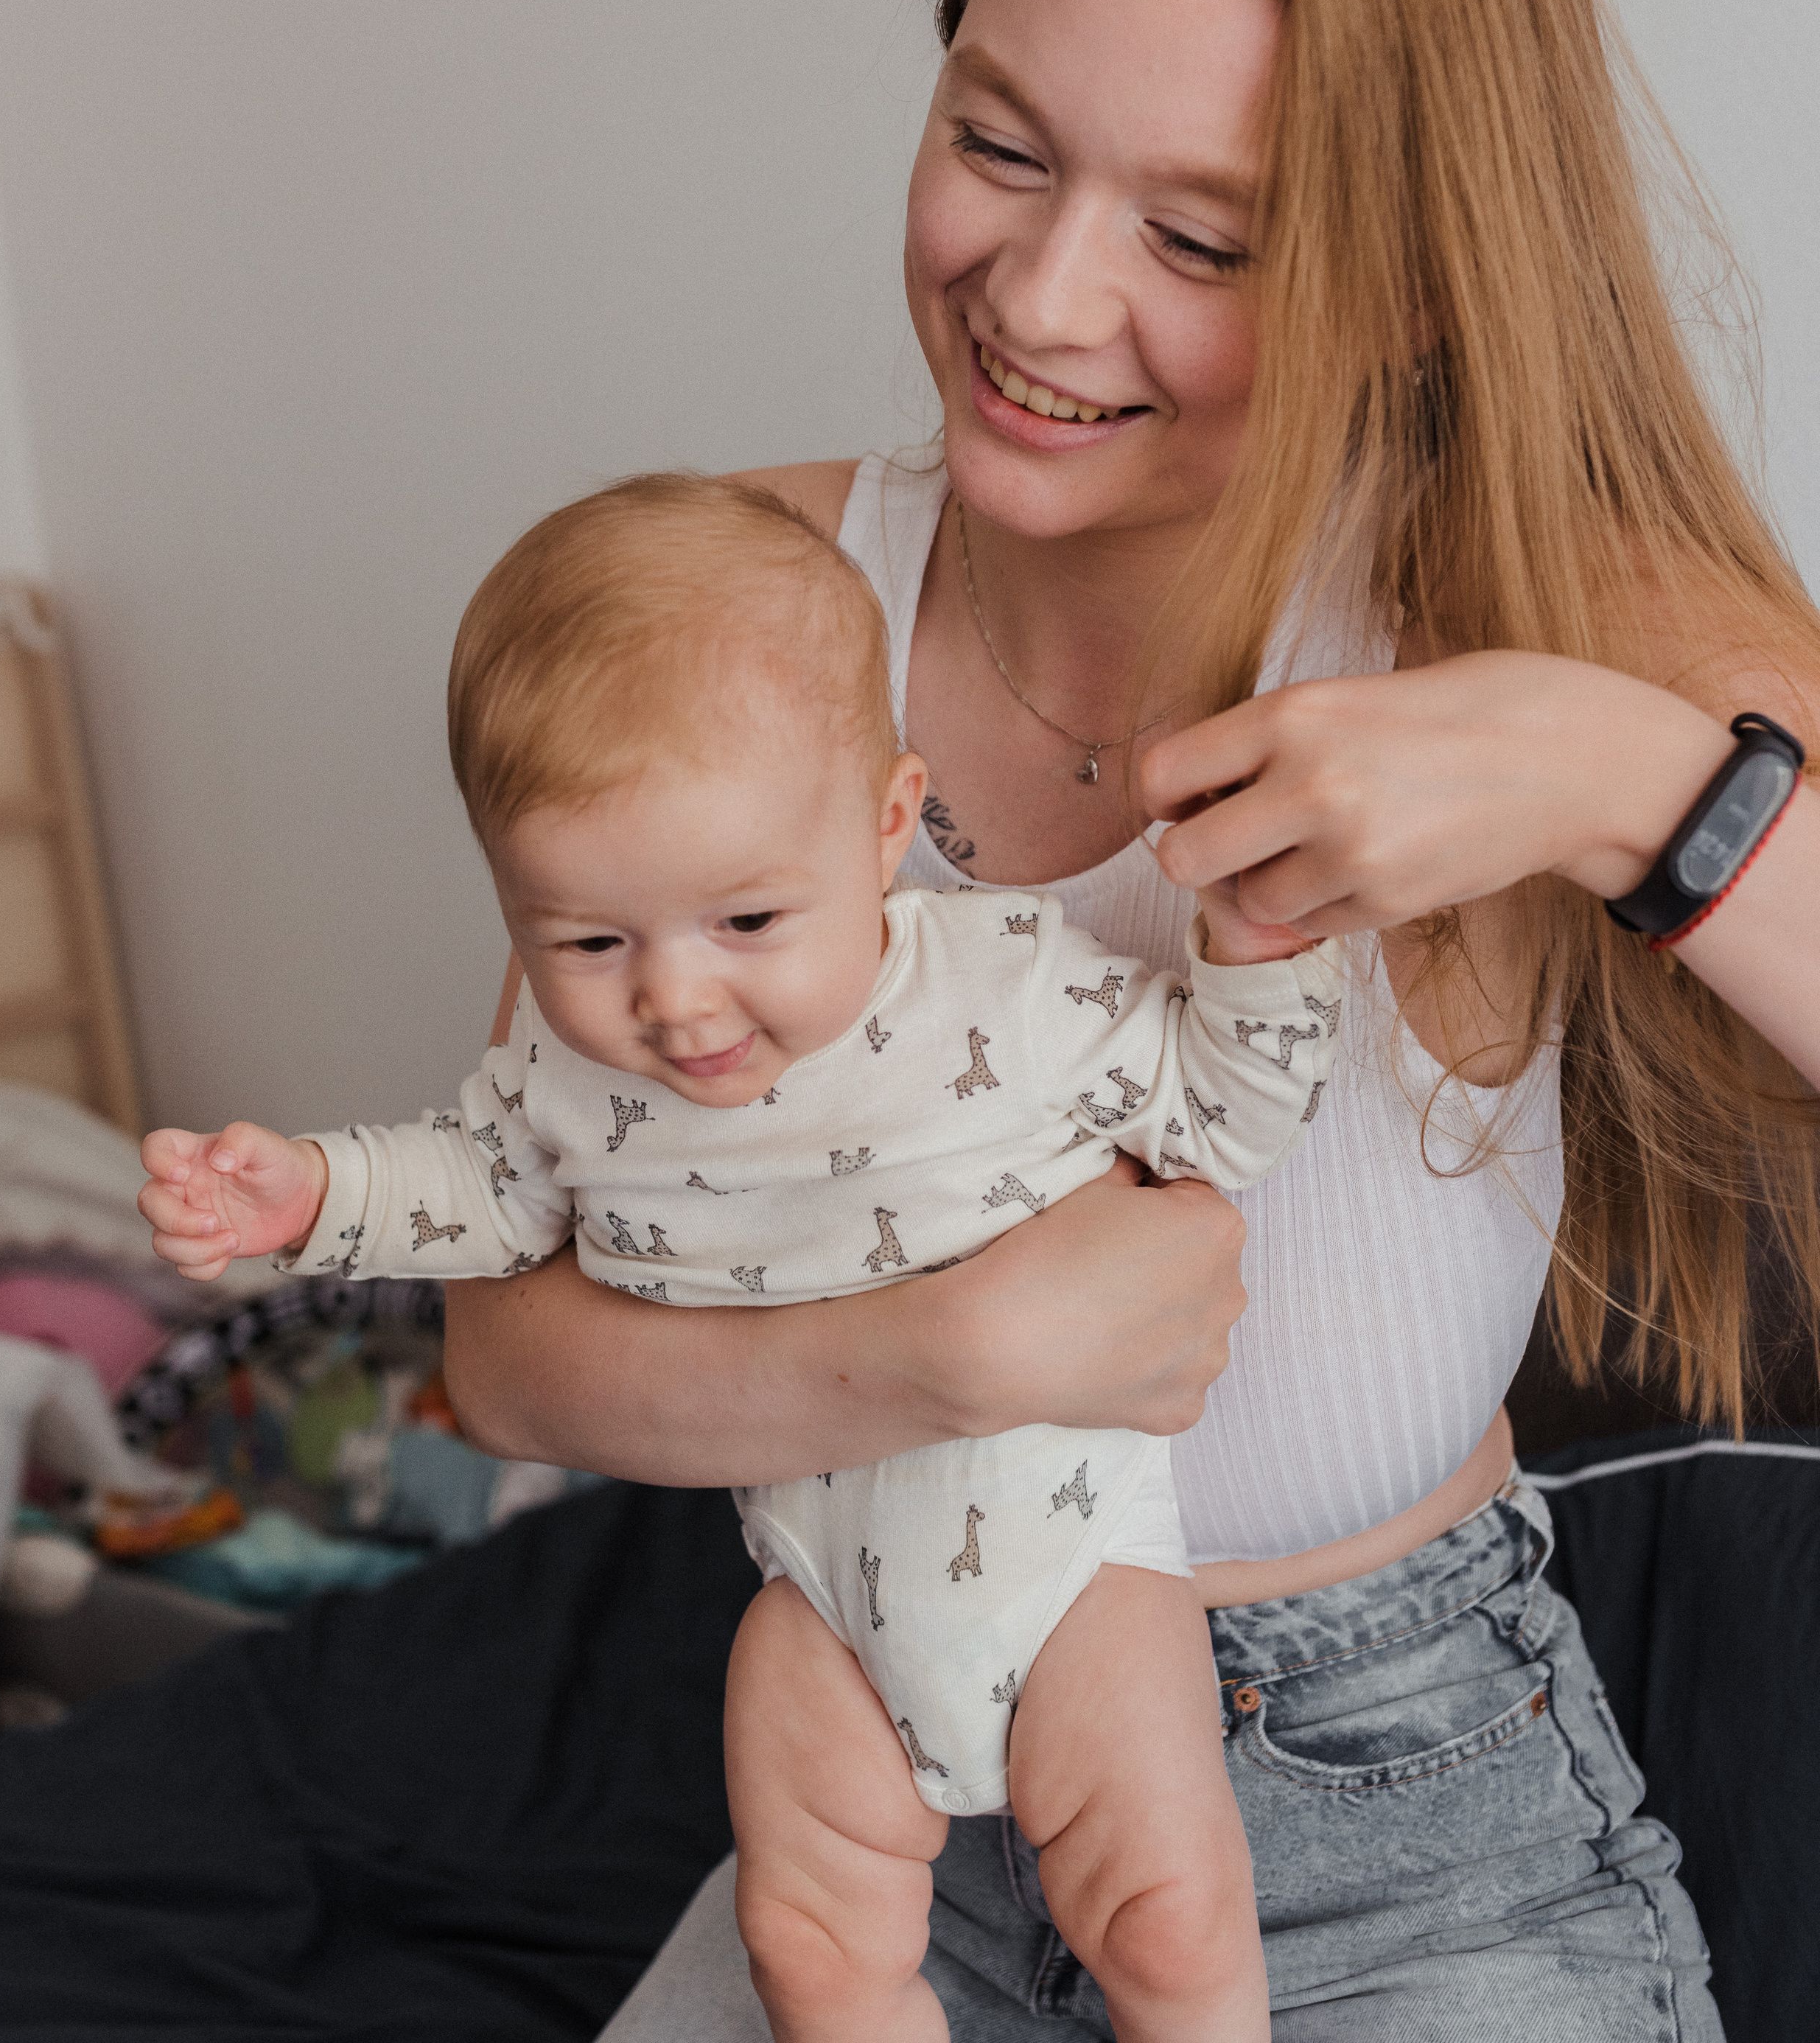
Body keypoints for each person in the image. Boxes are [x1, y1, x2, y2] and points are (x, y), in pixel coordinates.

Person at [443, 0, 1819, 2040]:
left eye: (1201, 232)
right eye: (998, 143)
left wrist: (1617, 781)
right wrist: (942, 1347)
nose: (1047, 302)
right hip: (898, 1783)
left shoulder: (1544, 616)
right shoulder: (760, 600)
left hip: (1400, 1811)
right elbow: (510, 1344)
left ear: (1405, 276)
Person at [140, 472, 1348, 2042]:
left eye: (749, 921)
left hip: (1069, 1567)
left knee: (1171, 1923)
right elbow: (477, 1193)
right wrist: (301, 1195)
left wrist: (1258, 955)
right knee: (807, 1943)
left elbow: (1223, 1114)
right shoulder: (573, 1083)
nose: (677, 1006)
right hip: (820, 1607)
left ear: (887, 820)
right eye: (585, 942)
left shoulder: (1005, 993)